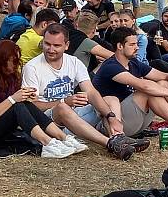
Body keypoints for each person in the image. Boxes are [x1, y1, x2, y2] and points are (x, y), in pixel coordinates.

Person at [21, 23, 146, 159]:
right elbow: (30, 106)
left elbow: (91, 92)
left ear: (67, 45)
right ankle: (110, 143)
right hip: (50, 123)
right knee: (62, 107)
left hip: (74, 117)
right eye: (47, 44)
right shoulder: (32, 67)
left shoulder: (73, 62)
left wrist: (111, 116)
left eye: (56, 46)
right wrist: (64, 101)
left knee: (110, 99)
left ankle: (119, 138)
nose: (50, 49)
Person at [0, 40, 79, 158]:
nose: (17, 65)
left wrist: (26, 96)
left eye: (18, 61)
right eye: (14, 61)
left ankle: (63, 138)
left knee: (23, 103)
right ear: (1, 61)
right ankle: (48, 143)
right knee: (17, 104)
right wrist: (13, 98)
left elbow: (11, 105)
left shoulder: (11, 76)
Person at [93, 26, 168, 136]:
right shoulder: (110, 66)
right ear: (120, 46)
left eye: (136, 43)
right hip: (114, 123)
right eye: (132, 44)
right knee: (147, 92)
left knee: (163, 83)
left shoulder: (133, 63)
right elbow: (145, 87)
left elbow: (167, 76)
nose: (137, 47)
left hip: (135, 118)